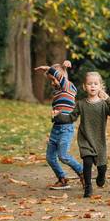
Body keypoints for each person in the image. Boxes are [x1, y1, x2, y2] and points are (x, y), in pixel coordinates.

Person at [34, 61, 83, 190]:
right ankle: (62, 178)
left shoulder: (69, 87)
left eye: (53, 79)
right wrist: (54, 115)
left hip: (66, 128)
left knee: (63, 155)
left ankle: (83, 172)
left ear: (62, 77)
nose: (52, 83)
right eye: (50, 80)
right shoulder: (57, 93)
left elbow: (60, 76)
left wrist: (48, 68)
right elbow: (60, 109)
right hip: (56, 128)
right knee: (50, 157)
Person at [70, 72, 110, 198]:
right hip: (85, 139)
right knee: (87, 162)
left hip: (99, 141)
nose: (92, 86)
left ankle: (101, 176)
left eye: (95, 84)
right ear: (84, 86)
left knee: (102, 167)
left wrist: (108, 98)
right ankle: (88, 187)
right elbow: (71, 117)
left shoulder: (103, 104)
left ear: (100, 86)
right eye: (89, 84)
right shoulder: (81, 104)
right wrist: (58, 117)